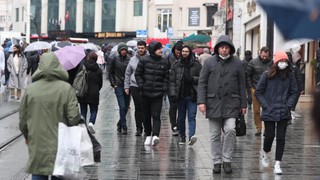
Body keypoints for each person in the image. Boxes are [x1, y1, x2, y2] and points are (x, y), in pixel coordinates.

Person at [19, 52, 81, 179]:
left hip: (36, 140)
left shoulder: (31, 89)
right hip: (61, 141)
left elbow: (23, 119)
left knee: (38, 171)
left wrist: (27, 135)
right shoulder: (66, 89)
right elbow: (74, 118)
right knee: (58, 171)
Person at [197, 35, 247, 174]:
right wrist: (201, 101)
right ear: (218, 48)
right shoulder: (209, 62)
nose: (224, 50)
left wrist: (243, 104)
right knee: (214, 134)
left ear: (230, 49)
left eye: (226, 48)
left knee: (230, 130)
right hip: (213, 103)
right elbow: (202, 83)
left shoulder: (237, 63)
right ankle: (216, 161)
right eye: (222, 47)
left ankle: (227, 159)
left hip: (232, 103)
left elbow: (242, 85)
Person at [254, 50, 299, 175]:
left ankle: (278, 163)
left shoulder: (290, 76)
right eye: (281, 61)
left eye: (285, 61)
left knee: (281, 138)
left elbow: (295, 91)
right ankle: (265, 152)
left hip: (283, 111)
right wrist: (266, 105)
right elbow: (258, 92)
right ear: (276, 62)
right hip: (269, 110)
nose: (283, 63)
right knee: (269, 136)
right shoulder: (267, 75)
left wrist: (288, 105)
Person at [135, 41, 170, 146]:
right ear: (153, 49)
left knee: (156, 114)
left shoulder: (164, 62)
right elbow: (138, 74)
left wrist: (164, 88)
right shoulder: (144, 60)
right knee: (146, 115)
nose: (161, 50)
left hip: (158, 94)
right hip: (145, 93)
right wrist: (141, 85)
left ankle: (155, 135)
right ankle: (148, 135)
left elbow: (166, 77)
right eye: (159, 48)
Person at [169, 45, 202, 145]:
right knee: (181, 117)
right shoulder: (176, 64)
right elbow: (172, 81)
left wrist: (193, 79)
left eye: (187, 51)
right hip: (180, 95)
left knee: (192, 116)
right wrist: (173, 94)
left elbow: (202, 78)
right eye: (183, 51)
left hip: (192, 95)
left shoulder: (196, 65)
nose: (184, 53)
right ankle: (182, 136)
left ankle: (192, 136)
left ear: (190, 52)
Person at [245, 46, 273, 136]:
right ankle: (258, 128)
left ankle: (267, 128)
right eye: (263, 56)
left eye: (266, 56)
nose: (264, 58)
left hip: (268, 90)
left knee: (267, 109)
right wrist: (250, 87)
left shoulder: (271, 63)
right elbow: (247, 75)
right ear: (260, 53)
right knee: (256, 110)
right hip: (255, 89)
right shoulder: (253, 62)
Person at [124, 40, 147, 136]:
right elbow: (128, 73)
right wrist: (126, 86)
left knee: (146, 108)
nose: (140, 50)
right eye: (139, 48)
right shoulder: (133, 59)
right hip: (135, 86)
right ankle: (138, 128)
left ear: (145, 48)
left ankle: (147, 127)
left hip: (146, 86)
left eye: (142, 48)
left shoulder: (149, 58)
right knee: (138, 108)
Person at [78, 51, 103, 134]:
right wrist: (96, 89)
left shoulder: (82, 67)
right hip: (94, 93)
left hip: (83, 92)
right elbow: (100, 83)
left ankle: (83, 125)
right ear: (96, 59)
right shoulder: (98, 70)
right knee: (94, 110)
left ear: (88, 58)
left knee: (83, 111)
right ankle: (91, 123)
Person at [108, 42, 130, 134]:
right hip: (118, 85)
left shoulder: (130, 59)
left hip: (127, 85)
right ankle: (124, 126)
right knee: (122, 106)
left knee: (126, 106)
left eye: (125, 50)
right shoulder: (114, 59)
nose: (124, 51)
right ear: (119, 51)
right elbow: (110, 72)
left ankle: (119, 123)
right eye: (122, 50)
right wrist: (113, 84)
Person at [168, 41, 184, 136]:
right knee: (173, 107)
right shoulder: (170, 59)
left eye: (179, 53)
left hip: (182, 87)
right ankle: (173, 125)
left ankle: (178, 125)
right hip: (172, 86)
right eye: (176, 52)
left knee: (181, 107)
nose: (178, 54)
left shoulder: (185, 59)